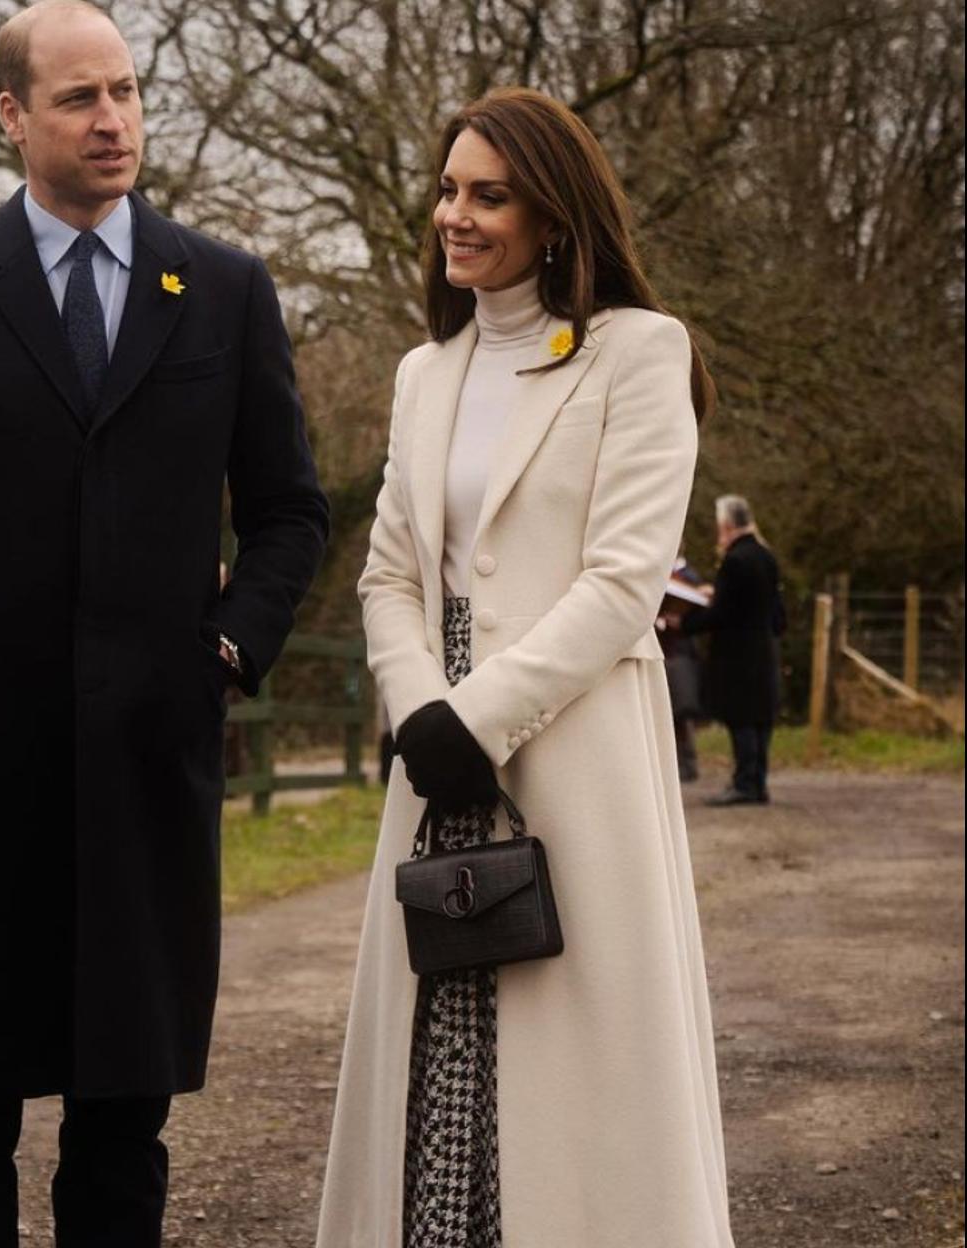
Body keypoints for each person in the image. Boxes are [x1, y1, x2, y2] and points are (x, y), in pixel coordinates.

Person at [0, 2, 328, 1244]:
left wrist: (224, 652)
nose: (113, 120)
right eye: (80, 97)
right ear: (12, 115)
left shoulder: (223, 290)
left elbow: (289, 513)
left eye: (127, 92)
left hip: (153, 768)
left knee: (123, 1123)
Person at [317, 88, 735, 1247]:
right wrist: (422, 713)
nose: (455, 215)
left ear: (553, 217)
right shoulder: (425, 372)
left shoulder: (639, 352)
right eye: (449, 190)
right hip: (435, 747)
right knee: (436, 1021)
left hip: (572, 737)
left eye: (489, 196)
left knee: (574, 1048)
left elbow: (624, 580)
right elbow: (390, 575)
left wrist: (479, 716)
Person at [680, 495, 785, 805]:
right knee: (760, 719)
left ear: (725, 525)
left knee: (741, 718)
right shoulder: (765, 556)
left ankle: (744, 783)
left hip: (738, 654)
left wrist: (685, 622)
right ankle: (757, 782)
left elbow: (723, 612)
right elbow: (773, 609)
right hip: (764, 648)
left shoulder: (735, 560)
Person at [658, 550, 710, 782]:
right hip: (661, 647)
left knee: (682, 710)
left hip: (680, 651)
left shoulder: (690, 577)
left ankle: (688, 763)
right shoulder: (657, 570)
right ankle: (667, 766)